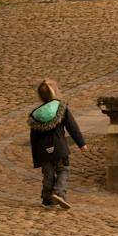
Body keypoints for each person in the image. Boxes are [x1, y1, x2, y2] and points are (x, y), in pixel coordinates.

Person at [28, 78, 86, 210]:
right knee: (63, 170)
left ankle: (47, 199)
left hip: (43, 151)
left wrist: (36, 159)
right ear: (55, 92)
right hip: (59, 148)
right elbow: (72, 127)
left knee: (48, 174)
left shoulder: (36, 114)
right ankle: (59, 193)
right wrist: (81, 144)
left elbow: (33, 139)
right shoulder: (62, 108)